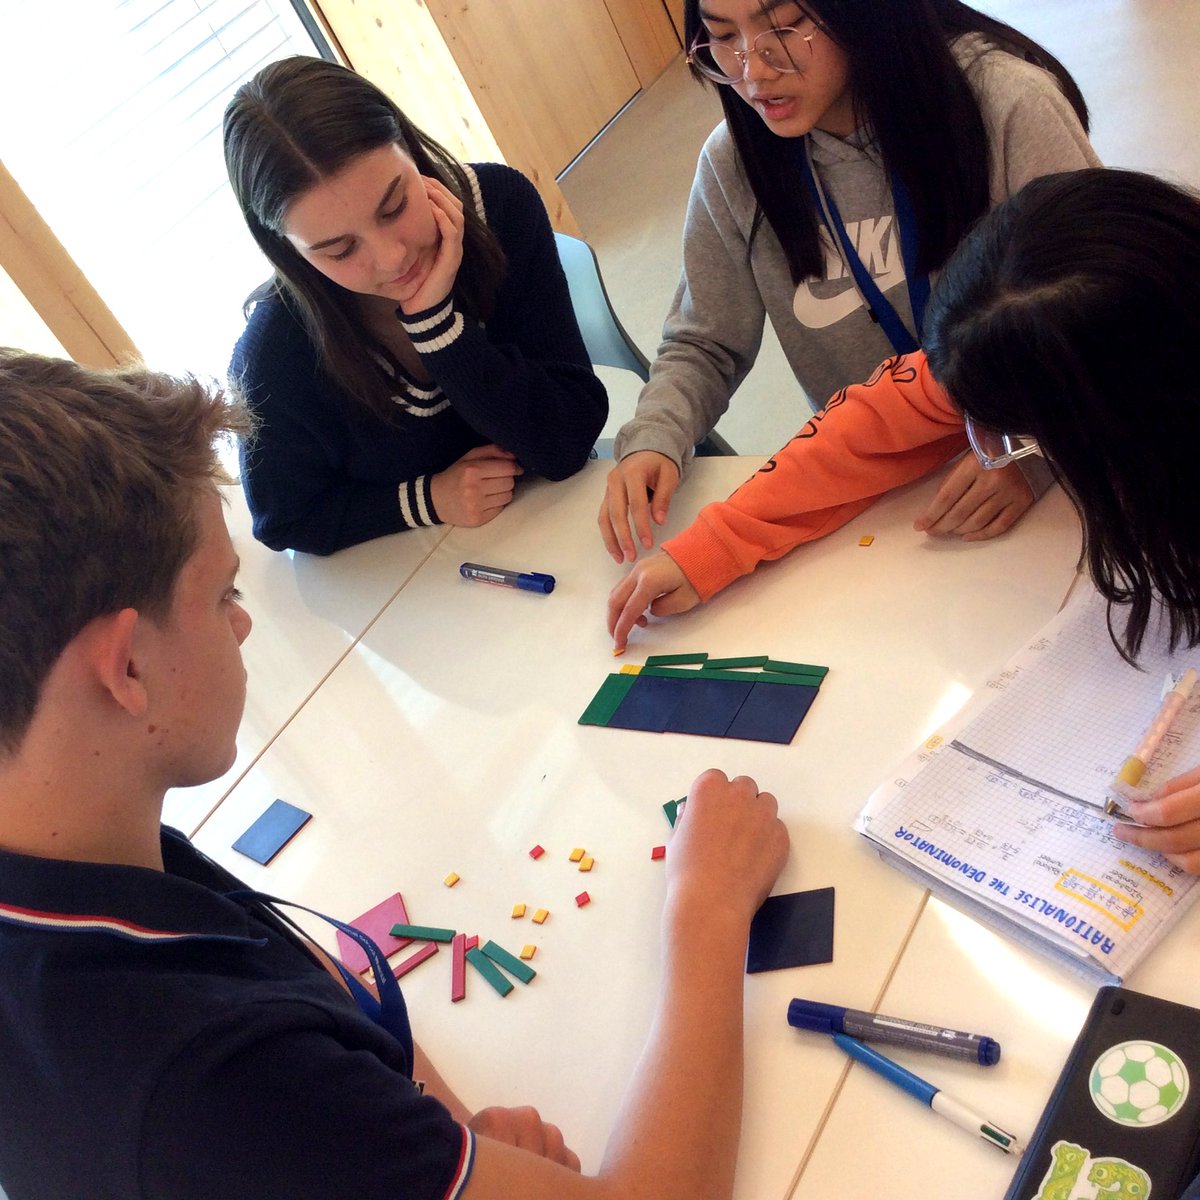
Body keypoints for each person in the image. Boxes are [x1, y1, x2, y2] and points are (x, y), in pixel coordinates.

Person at [0, 348, 788, 1197]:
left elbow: (309, 991)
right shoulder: (213, 1078)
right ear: (126, 671)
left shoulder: (77, 830)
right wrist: (706, 911)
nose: (242, 627)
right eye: (224, 594)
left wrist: (425, 1145)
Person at [613, 165, 1200, 873]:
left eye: (1022, 438)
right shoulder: (1065, 329)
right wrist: (711, 546)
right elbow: (866, 427)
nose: (992, 456)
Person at [598, 0, 1099, 564]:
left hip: (1051, 466)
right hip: (880, 496)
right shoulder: (735, 163)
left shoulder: (1005, 104)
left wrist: (1034, 455)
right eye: (721, 37)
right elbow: (705, 340)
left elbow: (1106, 322)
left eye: (781, 31)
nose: (753, 70)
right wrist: (656, 437)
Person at [224, 57, 607, 556]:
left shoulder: (500, 206)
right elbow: (285, 519)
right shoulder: (272, 354)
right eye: (340, 250)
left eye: (395, 207)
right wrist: (426, 500)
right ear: (287, 250)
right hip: (427, 581)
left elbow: (566, 440)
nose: (392, 257)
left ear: (406, 145)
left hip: (564, 525)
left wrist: (436, 326)